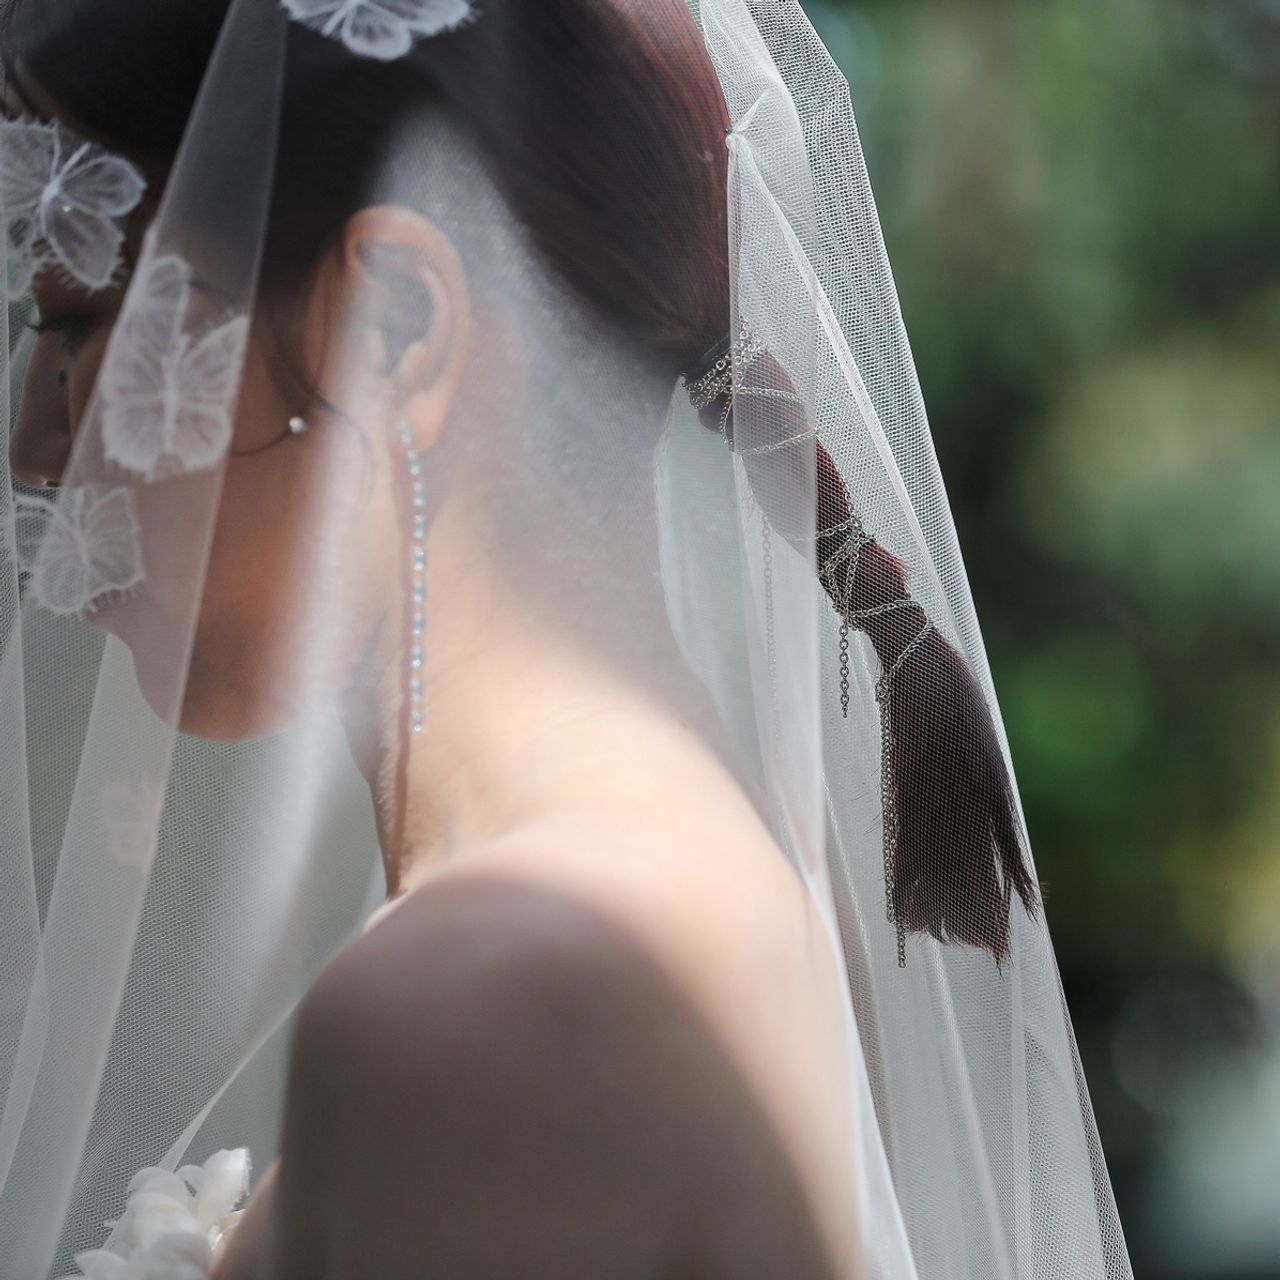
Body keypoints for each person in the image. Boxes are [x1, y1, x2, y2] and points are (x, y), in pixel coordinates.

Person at [0, 2, 1131, 1277]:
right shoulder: (665, 895)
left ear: (394, 326)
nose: (36, 447)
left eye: (79, 319)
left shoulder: (507, 985)